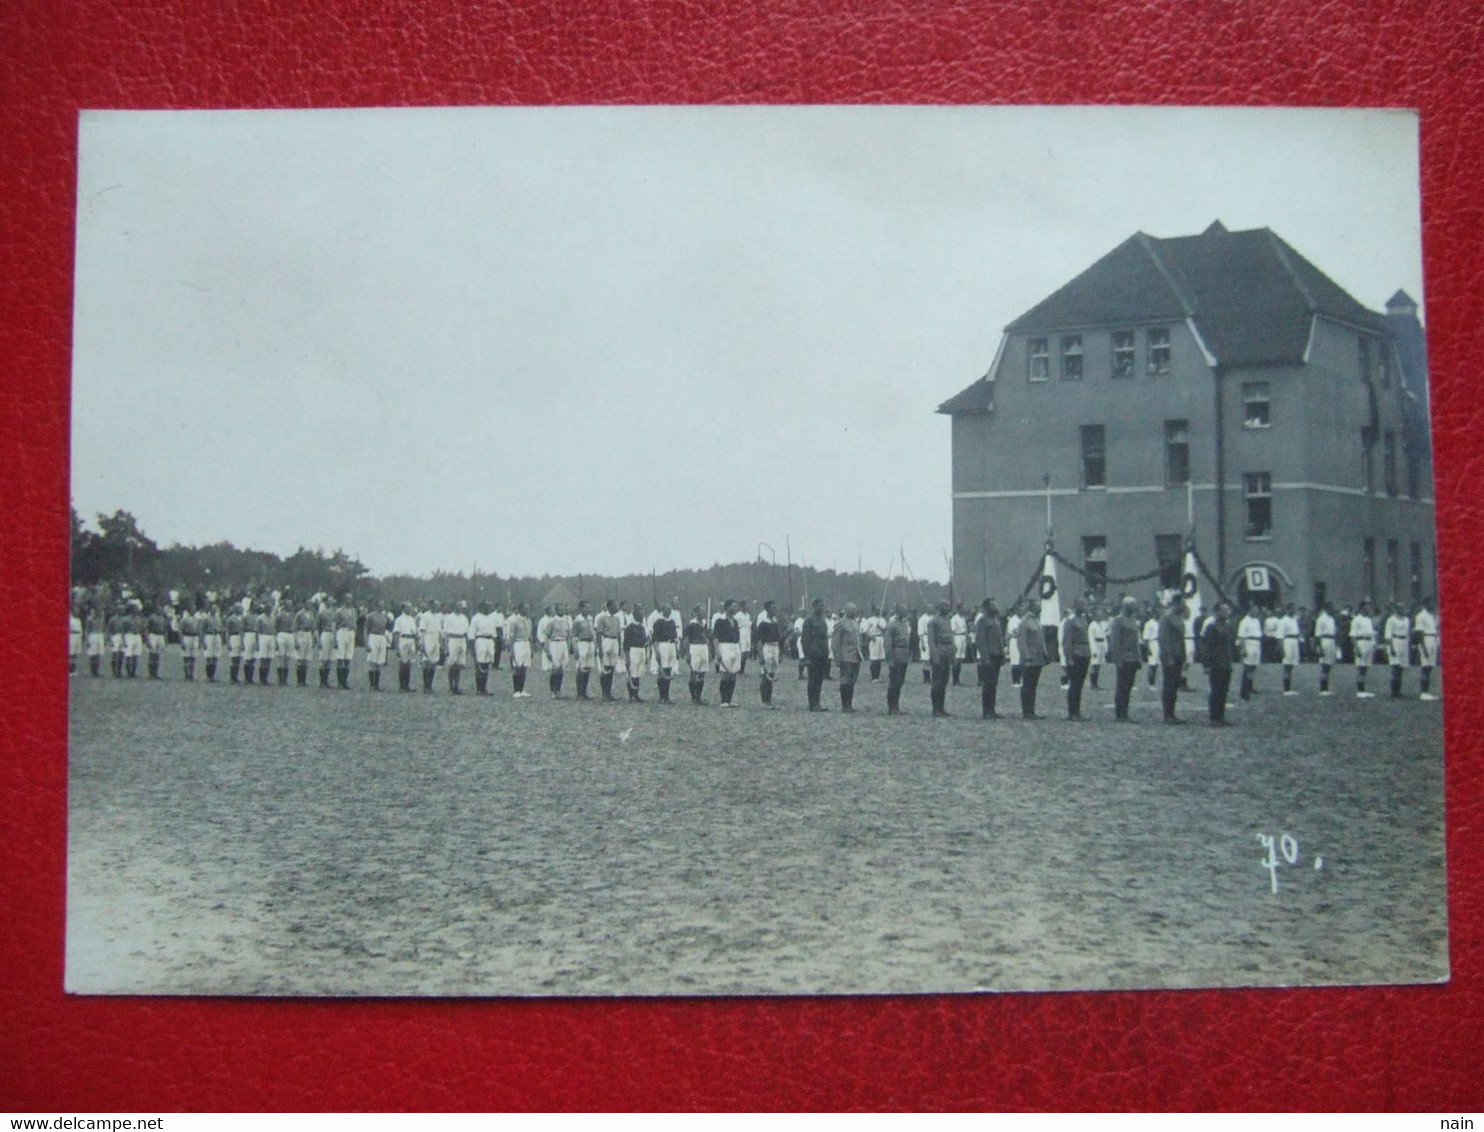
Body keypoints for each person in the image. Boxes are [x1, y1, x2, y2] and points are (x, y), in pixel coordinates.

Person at [1200, 601, 1238, 725]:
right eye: (1224, 610)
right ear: (1217, 612)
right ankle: (1214, 717)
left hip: (1226, 663)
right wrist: (1206, 664)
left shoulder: (1226, 626)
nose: (1227, 613)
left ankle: (1220, 716)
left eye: (1227, 610)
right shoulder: (1211, 627)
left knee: (1224, 690)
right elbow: (1206, 647)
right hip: (1216, 663)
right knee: (1216, 690)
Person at [1108, 596, 1143, 722]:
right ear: (1126, 606)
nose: (1135, 608)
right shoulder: (1118, 621)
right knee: (1121, 686)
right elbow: (1114, 641)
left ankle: (1125, 712)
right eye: (1132, 605)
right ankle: (1120, 713)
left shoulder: (1133, 621)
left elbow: (1136, 642)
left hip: (1133, 659)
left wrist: (1139, 658)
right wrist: (1117, 659)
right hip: (1124, 658)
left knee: (1128, 686)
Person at [1158, 596, 1188, 724]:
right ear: (1176, 603)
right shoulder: (1166, 617)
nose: (1184, 605)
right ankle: (1167, 714)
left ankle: (1172, 713)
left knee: (1175, 685)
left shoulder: (1178, 617)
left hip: (1178, 656)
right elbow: (1163, 639)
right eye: (1182, 603)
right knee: (1169, 685)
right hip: (1170, 657)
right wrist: (1168, 656)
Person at [1014, 601, 1046, 719]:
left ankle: (1031, 710)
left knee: (1033, 685)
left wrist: (1044, 654)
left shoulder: (1036, 620)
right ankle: (1026, 711)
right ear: (1033, 607)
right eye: (1038, 606)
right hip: (1030, 658)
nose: (1040, 608)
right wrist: (1026, 657)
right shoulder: (1025, 621)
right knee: (1027, 685)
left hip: (1037, 658)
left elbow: (1041, 639)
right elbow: (1022, 641)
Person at [974, 598, 1005, 719]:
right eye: (993, 605)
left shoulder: (995, 620)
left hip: (997, 655)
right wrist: (985, 657)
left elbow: (999, 639)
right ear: (987, 607)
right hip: (989, 655)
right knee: (988, 684)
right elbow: (980, 640)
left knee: (993, 684)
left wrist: (1002, 654)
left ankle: (992, 709)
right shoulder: (982, 620)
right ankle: (986, 711)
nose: (995, 607)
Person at [1061, 600, 1091, 721]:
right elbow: (1066, 641)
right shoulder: (1070, 621)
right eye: (1082, 604)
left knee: (1079, 685)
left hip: (1084, 653)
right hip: (1075, 654)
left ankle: (1077, 711)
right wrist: (1068, 657)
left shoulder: (1084, 620)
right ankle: (1072, 712)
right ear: (1076, 606)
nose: (1085, 607)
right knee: (1074, 684)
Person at [830, 603, 863, 712]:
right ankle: (845, 705)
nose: (854, 611)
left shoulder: (856, 623)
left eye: (855, 609)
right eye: (852, 609)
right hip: (845, 656)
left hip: (855, 656)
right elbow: (835, 642)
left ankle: (850, 704)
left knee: (852, 680)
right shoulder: (841, 624)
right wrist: (838, 658)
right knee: (845, 680)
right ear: (846, 610)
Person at [801, 599, 832, 711]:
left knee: (819, 680)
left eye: (823, 606)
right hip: (813, 654)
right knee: (813, 680)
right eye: (820, 606)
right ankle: (812, 704)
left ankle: (817, 702)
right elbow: (805, 640)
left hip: (822, 654)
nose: (822, 608)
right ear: (814, 606)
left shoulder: (823, 621)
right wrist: (807, 656)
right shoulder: (809, 621)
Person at [711, 600, 743, 707]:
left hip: (735, 646)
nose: (736, 608)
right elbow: (715, 637)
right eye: (734, 606)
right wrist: (717, 651)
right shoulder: (720, 621)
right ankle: (724, 700)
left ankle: (729, 699)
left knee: (733, 674)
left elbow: (737, 637)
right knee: (726, 674)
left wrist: (740, 649)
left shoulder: (735, 621)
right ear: (728, 607)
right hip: (725, 646)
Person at [650, 602, 681, 704]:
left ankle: (667, 695)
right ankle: (662, 696)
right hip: (662, 645)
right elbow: (654, 638)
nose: (669, 610)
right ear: (663, 610)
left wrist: (676, 649)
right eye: (667, 608)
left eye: (670, 609)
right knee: (662, 670)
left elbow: (675, 637)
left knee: (668, 669)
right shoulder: (659, 622)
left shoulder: (672, 622)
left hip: (671, 645)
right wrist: (656, 651)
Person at [754, 600, 783, 706]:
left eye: (776, 608)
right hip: (767, 647)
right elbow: (759, 641)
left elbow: (778, 638)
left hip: (775, 647)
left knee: (771, 674)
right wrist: (761, 655)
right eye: (773, 608)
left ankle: (769, 699)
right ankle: (764, 701)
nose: (775, 610)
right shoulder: (763, 624)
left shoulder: (775, 622)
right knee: (765, 675)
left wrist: (780, 652)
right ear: (767, 609)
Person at [538, 601, 569, 698]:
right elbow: (546, 637)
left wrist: (568, 648)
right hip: (554, 643)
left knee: (561, 668)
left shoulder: (566, 622)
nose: (562, 611)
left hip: (563, 643)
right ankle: (553, 690)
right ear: (556, 610)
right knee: (555, 668)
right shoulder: (551, 622)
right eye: (560, 609)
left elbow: (568, 636)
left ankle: (558, 690)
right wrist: (547, 651)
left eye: (563, 609)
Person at [595, 600, 623, 702]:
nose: (617, 608)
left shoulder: (617, 619)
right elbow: (598, 634)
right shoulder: (601, 618)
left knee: (611, 668)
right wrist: (600, 648)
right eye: (615, 606)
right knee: (605, 667)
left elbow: (619, 633)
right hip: (606, 640)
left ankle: (609, 692)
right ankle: (604, 693)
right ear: (610, 607)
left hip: (614, 641)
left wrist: (619, 647)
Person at [469, 602, 498, 696]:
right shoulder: (476, 618)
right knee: (480, 664)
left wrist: (494, 644)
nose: (488, 609)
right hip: (480, 640)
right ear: (481, 607)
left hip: (489, 641)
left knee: (486, 664)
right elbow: (471, 634)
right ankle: (479, 689)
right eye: (486, 607)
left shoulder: (490, 619)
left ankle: (484, 687)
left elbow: (494, 633)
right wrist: (472, 648)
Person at [1384, 602, 1412, 699]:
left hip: (1404, 642)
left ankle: (1398, 691)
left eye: (1403, 608)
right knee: (1395, 668)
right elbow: (1388, 635)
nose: (1402, 610)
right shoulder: (1391, 620)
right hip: (1395, 642)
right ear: (1396, 609)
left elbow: (1408, 633)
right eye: (1400, 608)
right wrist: (1391, 647)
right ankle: (1393, 692)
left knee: (1401, 669)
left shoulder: (1407, 620)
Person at [569, 600, 596, 700]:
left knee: (588, 668)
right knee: (581, 668)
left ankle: (584, 692)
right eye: (586, 607)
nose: (588, 610)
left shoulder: (590, 618)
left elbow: (593, 632)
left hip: (590, 643)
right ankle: (579, 692)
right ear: (581, 608)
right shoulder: (577, 620)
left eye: (589, 608)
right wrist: (575, 649)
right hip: (582, 643)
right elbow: (574, 636)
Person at [684, 605, 711, 704]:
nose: (704, 613)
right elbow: (686, 639)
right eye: (702, 611)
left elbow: (708, 638)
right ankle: (693, 696)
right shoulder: (692, 625)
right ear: (697, 612)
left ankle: (699, 696)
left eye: (704, 611)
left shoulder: (704, 624)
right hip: (695, 648)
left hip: (703, 647)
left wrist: (709, 650)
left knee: (702, 672)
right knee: (694, 672)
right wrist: (687, 653)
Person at [1350, 601, 1377, 698]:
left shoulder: (1369, 620)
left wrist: (1373, 644)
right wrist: (1356, 648)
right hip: (1361, 643)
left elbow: (1371, 633)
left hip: (1369, 643)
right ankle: (1360, 690)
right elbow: (1353, 635)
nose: (1368, 609)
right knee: (1361, 666)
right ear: (1361, 608)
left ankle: (1363, 689)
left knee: (1365, 667)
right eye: (1366, 607)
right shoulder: (1356, 619)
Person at [506, 603, 533, 697]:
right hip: (518, 643)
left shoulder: (529, 621)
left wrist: (531, 649)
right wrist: (511, 650)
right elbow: (511, 636)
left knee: (524, 668)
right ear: (520, 609)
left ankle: (522, 689)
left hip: (526, 643)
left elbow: (530, 636)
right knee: (518, 667)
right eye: (525, 609)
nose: (527, 611)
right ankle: (516, 690)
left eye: (528, 609)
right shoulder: (515, 621)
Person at [622, 608, 649, 702]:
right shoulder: (629, 628)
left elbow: (645, 641)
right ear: (635, 616)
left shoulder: (642, 627)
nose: (642, 617)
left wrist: (645, 655)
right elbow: (626, 644)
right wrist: (627, 658)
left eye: (643, 615)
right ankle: (631, 695)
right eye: (640, 615)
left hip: (641, 650)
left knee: (638, 674)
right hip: (633, 650)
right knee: (632, 673)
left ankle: (636, 694)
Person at [1236, 606, 1263, 701]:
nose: (1256, 612)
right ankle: (1244, 690)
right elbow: (1241, 636)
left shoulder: (1256, 621)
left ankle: (1250, 686)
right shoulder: (1244, 621)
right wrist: (1243, 649)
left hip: (1256, 643)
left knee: (1253, 666)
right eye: (1254, 610)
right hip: (1249, 643)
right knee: (1248, 666)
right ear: (1249, 610)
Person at [1415, 598, 1440, 701]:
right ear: (1425, 604)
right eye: (1429, 603)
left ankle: (1427, 691)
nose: (1432, 605)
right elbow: (1419, 633)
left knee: (1429, 667)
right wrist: (1423, 648)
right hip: (1426, 640)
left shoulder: (1431, 616)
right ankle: (1423, 692)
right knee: (1425, 667)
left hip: (1433, 639)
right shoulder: (1421, 616)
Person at [392, 603, 419, 692]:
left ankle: (407, 685)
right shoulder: (399, 619)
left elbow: (415, 633)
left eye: (410, 608)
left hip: (411, 640)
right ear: (403, 608)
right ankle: (401, 685)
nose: (410, 609)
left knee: (409, 663)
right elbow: (396, 633)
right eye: (408, 608)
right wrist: (396, 648)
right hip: (403, 639)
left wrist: (416, 643)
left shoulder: (412, 619)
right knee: (403, 663)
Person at [1313, 603, 1338, 695]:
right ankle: (1322, 688)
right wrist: (1319, 647)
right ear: (1327, 608)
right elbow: (1318, 634)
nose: (1333, 610)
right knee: (1324, 665)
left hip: (1331, 641)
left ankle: (1326, 687)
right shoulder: (1321, 619)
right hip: (1325, 641)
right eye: (1331, 608)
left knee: (1329, 664)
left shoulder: (1331, 619)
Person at [1278, 602, 1301, 696]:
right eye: (1292, 609)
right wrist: (1282, 649)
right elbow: (1280, 636)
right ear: (1287, 610)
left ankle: (1289, 687)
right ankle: (1286, 689)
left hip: (1294, 642)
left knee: (1291, 665)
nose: (1294, 611)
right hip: (1287, 642)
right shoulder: (1283, 620)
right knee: (1287, 665)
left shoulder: (1294, 620)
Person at [316, 599, 338, 689]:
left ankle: (326, 681)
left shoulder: (334, 612)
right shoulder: (321, 613)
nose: (331, 602)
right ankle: (322, 681)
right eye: (329, 601)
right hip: (325, 634)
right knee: (323, 658)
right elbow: (317, 627)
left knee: (329, 658)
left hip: (332, 635)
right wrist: (318, 640)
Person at [274, 601, 296, 686]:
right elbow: (276, 627)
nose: (290, 606)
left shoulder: (293, 615)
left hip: (290, 634)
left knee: (287, 657)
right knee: (280, 656)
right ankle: (280, 679)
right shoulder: (280, 615)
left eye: (291, 605)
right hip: (282, 633)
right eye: (288, 605)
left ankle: (285, 679)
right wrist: (276, 638)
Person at [145, 603, 168, 680]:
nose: (160, 610)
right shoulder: (152, 617)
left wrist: (165, 640)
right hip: (153, 635)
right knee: (152, 654)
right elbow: (147, 629)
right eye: (159, 609)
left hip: (160, 636)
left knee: (157, 655)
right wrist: (147, 640)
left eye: (161, 609)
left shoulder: (163, 618)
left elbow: (165, 630)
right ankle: (150, 673)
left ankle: (156, 673)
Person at [1087, 605, 1108, 690]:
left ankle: (1096, 683)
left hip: (1101, 645)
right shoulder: (1092, 625)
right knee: (1094, 665)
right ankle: (1093, 684)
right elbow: (1091, 639)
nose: (1100, 616)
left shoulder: (1101, 625)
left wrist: (1106, 647)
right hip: (1095, 645)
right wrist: (1093, 650)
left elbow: (1104, 637)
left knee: (1098, 665)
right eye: (1098, 615)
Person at [863, 605, 886, 682]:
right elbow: (865, 631)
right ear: (874, 611)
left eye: (879, 610)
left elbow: (885, 629)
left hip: (880, 638)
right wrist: (870, 637)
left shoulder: (882, 619)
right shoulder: (870, 620)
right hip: (874, 638)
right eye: (877, 610)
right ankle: (873, 677)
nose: (878, 611)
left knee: (879, 659)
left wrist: (880, 627)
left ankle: (877, 676)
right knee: (874, 658)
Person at [1141, 605, 1160, 688]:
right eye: (1154, 612)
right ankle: (1151, 683)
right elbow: (1145, 638)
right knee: (1152, 664)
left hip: (1159, 643)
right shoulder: (1149, 624)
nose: (1156, 614)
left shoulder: (1159, 623)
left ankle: (1155, 682)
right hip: (1153, 643)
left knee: (1157, 664)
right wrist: (1148, 649)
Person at [950, 604, 969, 686]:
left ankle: (958, 679)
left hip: (963, 637)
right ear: (959, 609)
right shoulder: (954, 619)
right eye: (962, 609)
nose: (964, 610)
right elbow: (952, 632)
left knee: (961, 659)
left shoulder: (962, 618)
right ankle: (955, 680)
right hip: (957, 637)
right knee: (956, 659)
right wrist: (953, 643)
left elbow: (965, 628)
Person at [918, 607, 934, 684]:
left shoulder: (932, 617)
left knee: (931, 659)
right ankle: (926, 678)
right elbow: (920, 632)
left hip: (932, 638)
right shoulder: (922, 619)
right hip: (925, 638)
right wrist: (922, 643)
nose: (932, 610)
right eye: (930, 609)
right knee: (925, 659)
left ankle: (929, 677)